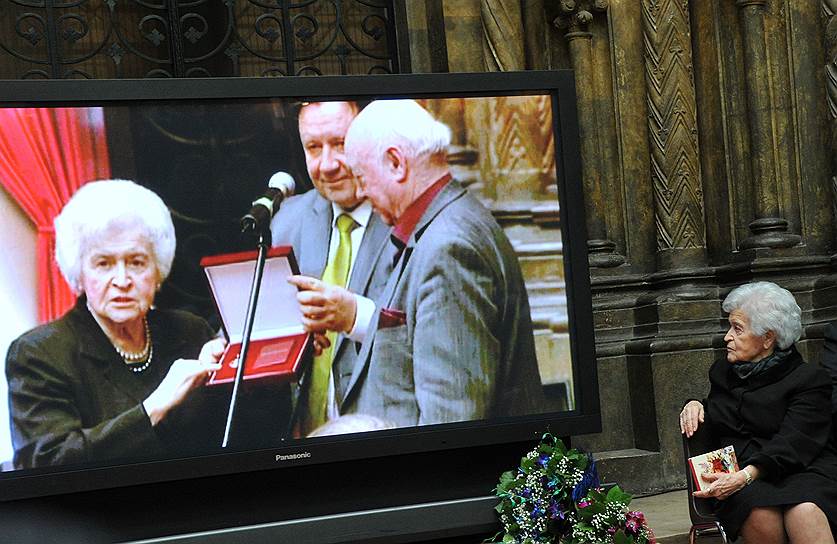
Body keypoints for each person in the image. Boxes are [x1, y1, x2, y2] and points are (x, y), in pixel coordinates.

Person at [6, 180, 256, 469]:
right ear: (80, 274)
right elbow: (48, 464)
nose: (122, 281)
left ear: (158, 270)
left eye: (136, 262)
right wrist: (154, 406)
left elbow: (243, 436)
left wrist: (248, 378)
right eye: (104, 264)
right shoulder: (40, 354)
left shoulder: (191, 332)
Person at [339, 99, 545, 427]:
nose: (361, 192)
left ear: (395, 163)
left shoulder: (448, 247)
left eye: (362, 177)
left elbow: (452, 420)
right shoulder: (445, 225)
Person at [680, 281, 837, 543]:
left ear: (767, 338)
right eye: (729, 326)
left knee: (804, 511)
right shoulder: (723, 373)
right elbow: (721, 413)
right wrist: (695, 403)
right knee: (759, 513)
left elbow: (796, 441)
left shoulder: (809, 379)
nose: (727, 336)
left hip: (803, 469)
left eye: (737, 328)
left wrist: (747, 475)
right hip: (744, 477)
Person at [270, 101, 393, 436]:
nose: (327, 165)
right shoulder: (286, 221)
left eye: (341, 143)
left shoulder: (406, 221)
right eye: (313, 147)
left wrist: (355, 317)